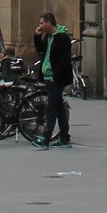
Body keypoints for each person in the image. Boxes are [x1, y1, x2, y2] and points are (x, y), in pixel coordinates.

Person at [33, 11, 73, 150]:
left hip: (56, 78)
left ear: (49, 22)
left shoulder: (62, 38)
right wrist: (37, 36)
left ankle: (45, 139)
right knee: (59, 108)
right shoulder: (48, 37)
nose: (40, 25)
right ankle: (65, 138)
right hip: (48, 76)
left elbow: (64, 60)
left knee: (51, 109)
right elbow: (41, 50)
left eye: (42, 23)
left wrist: (55, 77)